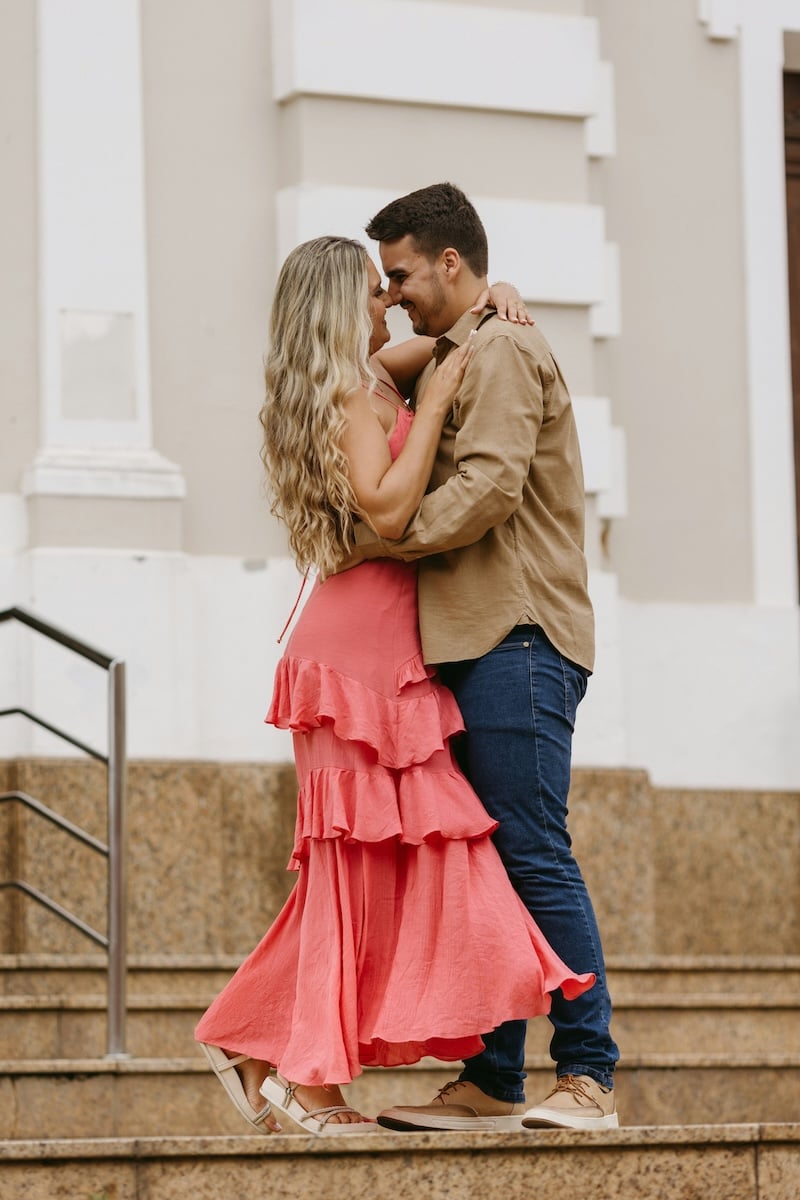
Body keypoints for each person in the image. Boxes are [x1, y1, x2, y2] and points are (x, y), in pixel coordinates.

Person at [194, 235, 595, 1136]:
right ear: (344, 303)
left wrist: (503, 297)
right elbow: (388, 509)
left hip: (383, 647)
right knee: (357, 867)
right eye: (377, 293)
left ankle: (260, 1040)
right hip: (357, 654)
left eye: (395, 287)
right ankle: (307, 1079)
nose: (392, 305)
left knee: (371, 865)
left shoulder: (374, 371)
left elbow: (466, 330)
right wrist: (446, 398)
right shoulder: (346, 394)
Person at [340, 183, 620, 1133]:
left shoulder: (498, 347)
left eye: (404, 274)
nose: (396, 293)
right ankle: (495, 1078)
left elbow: (493, 484)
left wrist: (390, 540)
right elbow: (363, 365)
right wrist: (383, 312)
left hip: (520, 634)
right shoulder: (465, 345)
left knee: (532, 854)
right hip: (472, 638)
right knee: (484, 866)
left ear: (451, 262)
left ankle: (588, 1076)